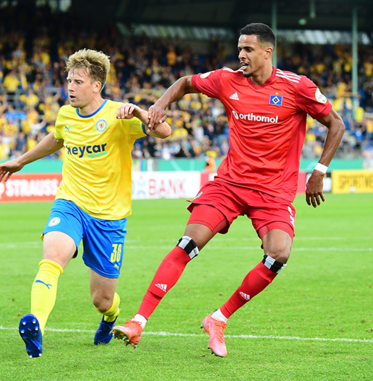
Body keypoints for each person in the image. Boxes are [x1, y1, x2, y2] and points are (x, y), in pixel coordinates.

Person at [112, 23, 345, 357]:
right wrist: (160, 103)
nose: (241, 55)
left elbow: (336, 123)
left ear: (268, 51)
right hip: (230, 185)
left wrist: (319, 171)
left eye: (248, 49)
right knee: (189, 241)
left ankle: (219, 318)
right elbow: (184, 83)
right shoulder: (227, 79)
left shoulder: (298, 87)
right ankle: (138, 321)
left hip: (273, 192)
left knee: (279, 253)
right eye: (239, 48)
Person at [0, 49, 171, 358]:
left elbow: (165, 132)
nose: (70, 87)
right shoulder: (66, 114)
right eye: (68, 81)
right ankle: (37, 325)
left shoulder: (119, 115)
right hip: (70, 203)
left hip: (109, 217)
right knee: (52, 257)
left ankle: (111, 316)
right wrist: (21, 161)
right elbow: (57, 137)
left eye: (77, 82)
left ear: (96, 86)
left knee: (102, 299)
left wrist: (141, 114)